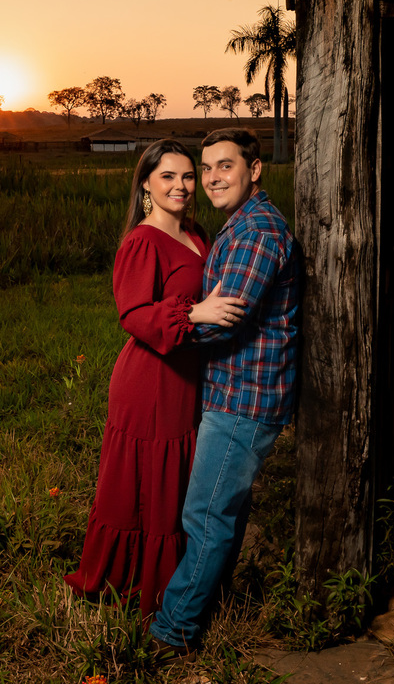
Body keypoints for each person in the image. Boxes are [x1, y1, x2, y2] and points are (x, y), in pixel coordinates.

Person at [64, 139, 247, 619]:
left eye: (188, 176)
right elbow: (133, 313)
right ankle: (140, 583)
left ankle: (179, 579)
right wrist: (195, 312)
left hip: (188, 374)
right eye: (168, 176)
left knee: (179, 481)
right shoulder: (142, 241)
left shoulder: (196, 232)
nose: (181, 186)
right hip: (150, 380)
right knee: (149, 485)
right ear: (146, 183)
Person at [150, 126, 300, 655]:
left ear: (253, 170)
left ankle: (174, 630)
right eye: (206, 168)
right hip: (234, 393)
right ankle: (211, 606)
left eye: (225, 166)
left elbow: (224, 321)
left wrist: (168, 324)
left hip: (244, 398)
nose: (212, 178)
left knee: (206, 514)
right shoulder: (240, 225)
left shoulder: (256, 232)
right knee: (223, 511)